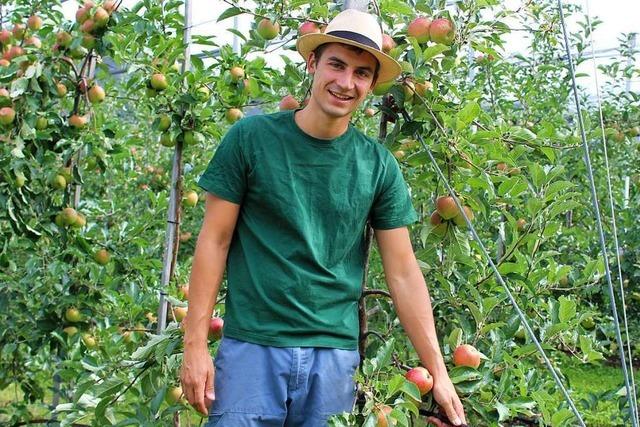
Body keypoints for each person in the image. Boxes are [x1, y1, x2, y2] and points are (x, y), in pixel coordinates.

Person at [180, 8, 466, 427]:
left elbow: (403, 273)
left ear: (370, 84)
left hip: (334, 358)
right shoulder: (250, 139)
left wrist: (438, 373)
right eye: (336, 64)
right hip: (252, 347)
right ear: (313, 63)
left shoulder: (377, 165)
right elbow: (214, 241)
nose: (346, 82)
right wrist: (195, 345)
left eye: (361, 73)